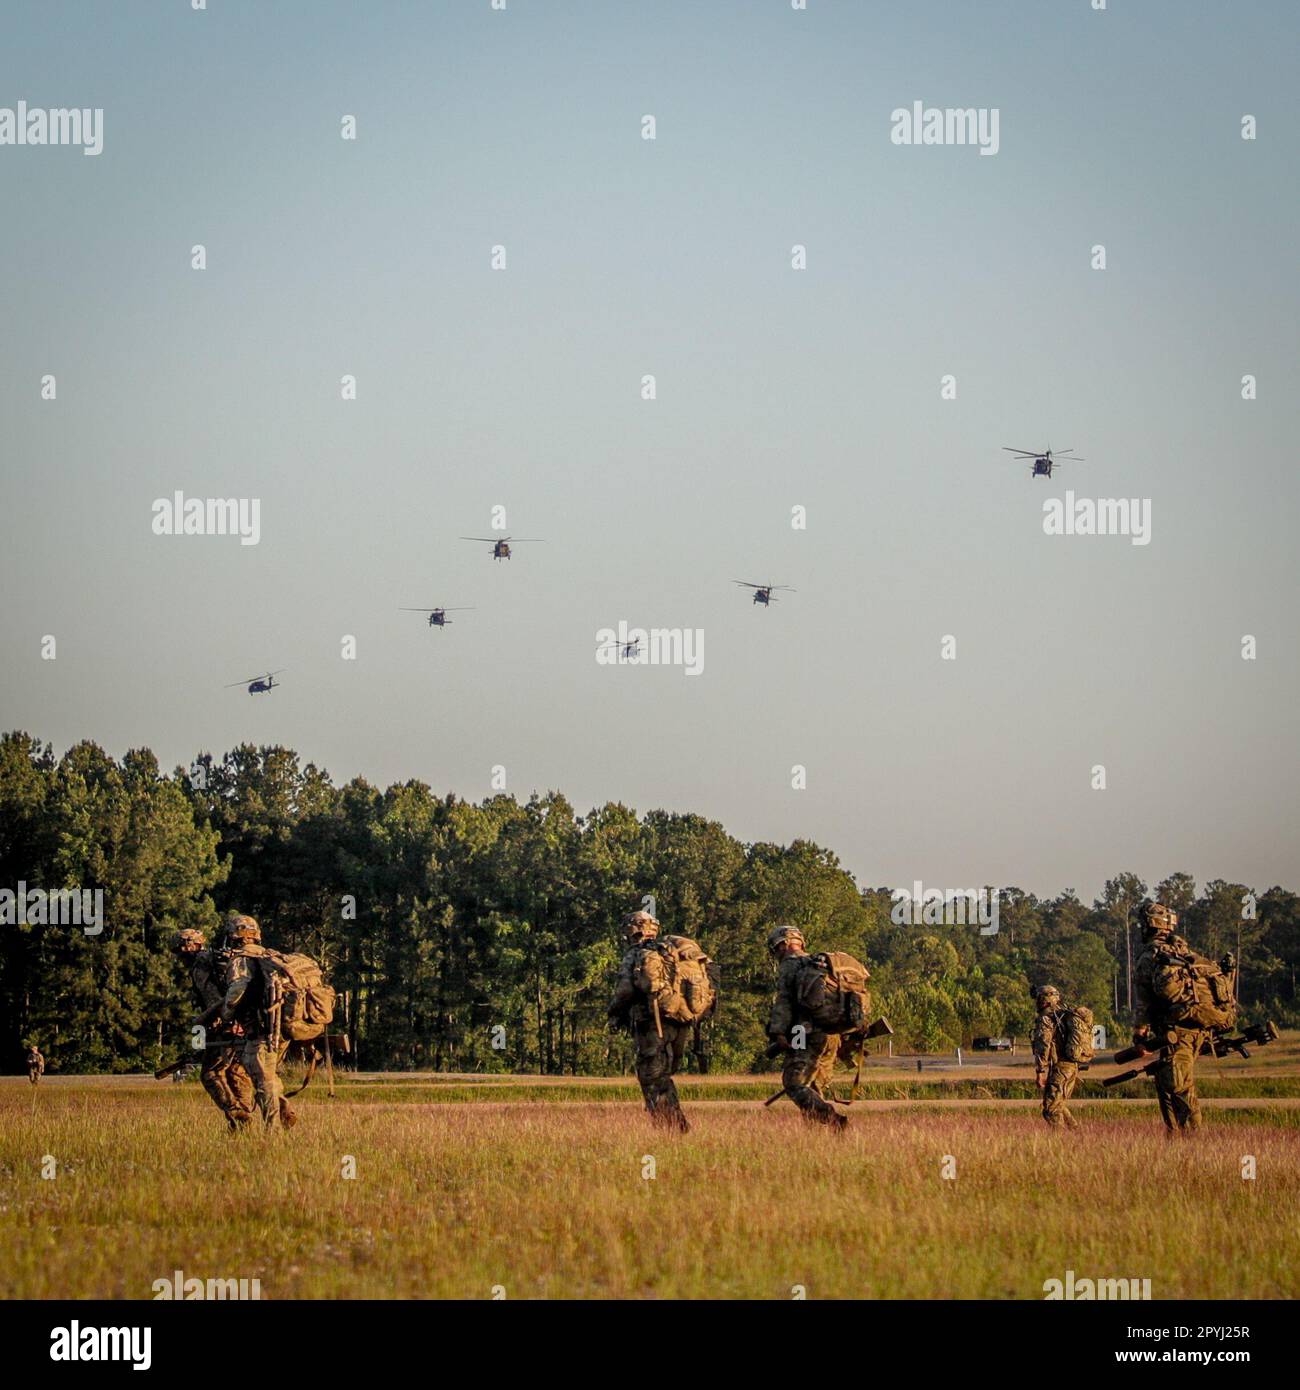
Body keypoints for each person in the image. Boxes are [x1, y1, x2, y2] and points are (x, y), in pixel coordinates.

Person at [1132, 900, 1230, 1137]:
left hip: (1176, 1032)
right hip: (1198, 1028)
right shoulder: (1185, 952)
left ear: (1148, 925)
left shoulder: (1150, 956)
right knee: (1168, 1082)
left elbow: (1144, 1000)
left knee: (1179, 1086)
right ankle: (1175, 1137)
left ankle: (1194, 1138)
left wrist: (1140, 1034)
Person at [607, 910, 690, 1133]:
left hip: (651, 1023)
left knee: (650, 1075)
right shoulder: (670, 952)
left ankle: (668, 1127)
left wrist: (612, 1011)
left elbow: (625, 991)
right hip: (676, 1021)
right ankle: (676, 1125)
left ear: (633, 929)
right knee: (662, 1074)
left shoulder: (637, 953)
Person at [214, 915, 296, 1130]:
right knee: (269, 1075)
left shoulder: (242, 959)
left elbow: (236, 991)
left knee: (262, 1081)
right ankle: (284, 1113)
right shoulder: (268, 955)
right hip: (280, 1030)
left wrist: (226, 1017)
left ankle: (274, 1129)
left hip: (260, 1031)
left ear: (233, 936)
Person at [172, 926, 256, 1130]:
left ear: (187, 947)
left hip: (228, 1024)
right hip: (246, 1024)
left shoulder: (201, 966)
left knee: (210, 1073)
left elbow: (214, 1001)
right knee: (237, 1072)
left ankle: (238, 1115)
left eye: (178, 951)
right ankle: (242, 1121)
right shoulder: (220, 960)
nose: (178, 957)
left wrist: (211, 1022)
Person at [765, 925, 847, 1131]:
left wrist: (778, 1032)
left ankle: (832, 1119)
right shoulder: (820, 965)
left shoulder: (790, 965)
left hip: (805, 1033)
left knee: (794, 1082)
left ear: (783, 944)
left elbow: (784, 1001)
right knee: (813, 1085)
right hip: (833, 1035)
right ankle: (816, 1137)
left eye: (776, 949)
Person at [1031, 984, 1078, 1130]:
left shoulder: (1046, 1019)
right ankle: (1074, 1132)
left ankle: (1060, 1141)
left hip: (1060, 1068)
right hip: (1071, 1067)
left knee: (1051, 1109)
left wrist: (1040, 1072)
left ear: (1044, 1000)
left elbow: (1043, 1046)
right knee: (1059, 1104)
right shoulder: (1064, 1014)